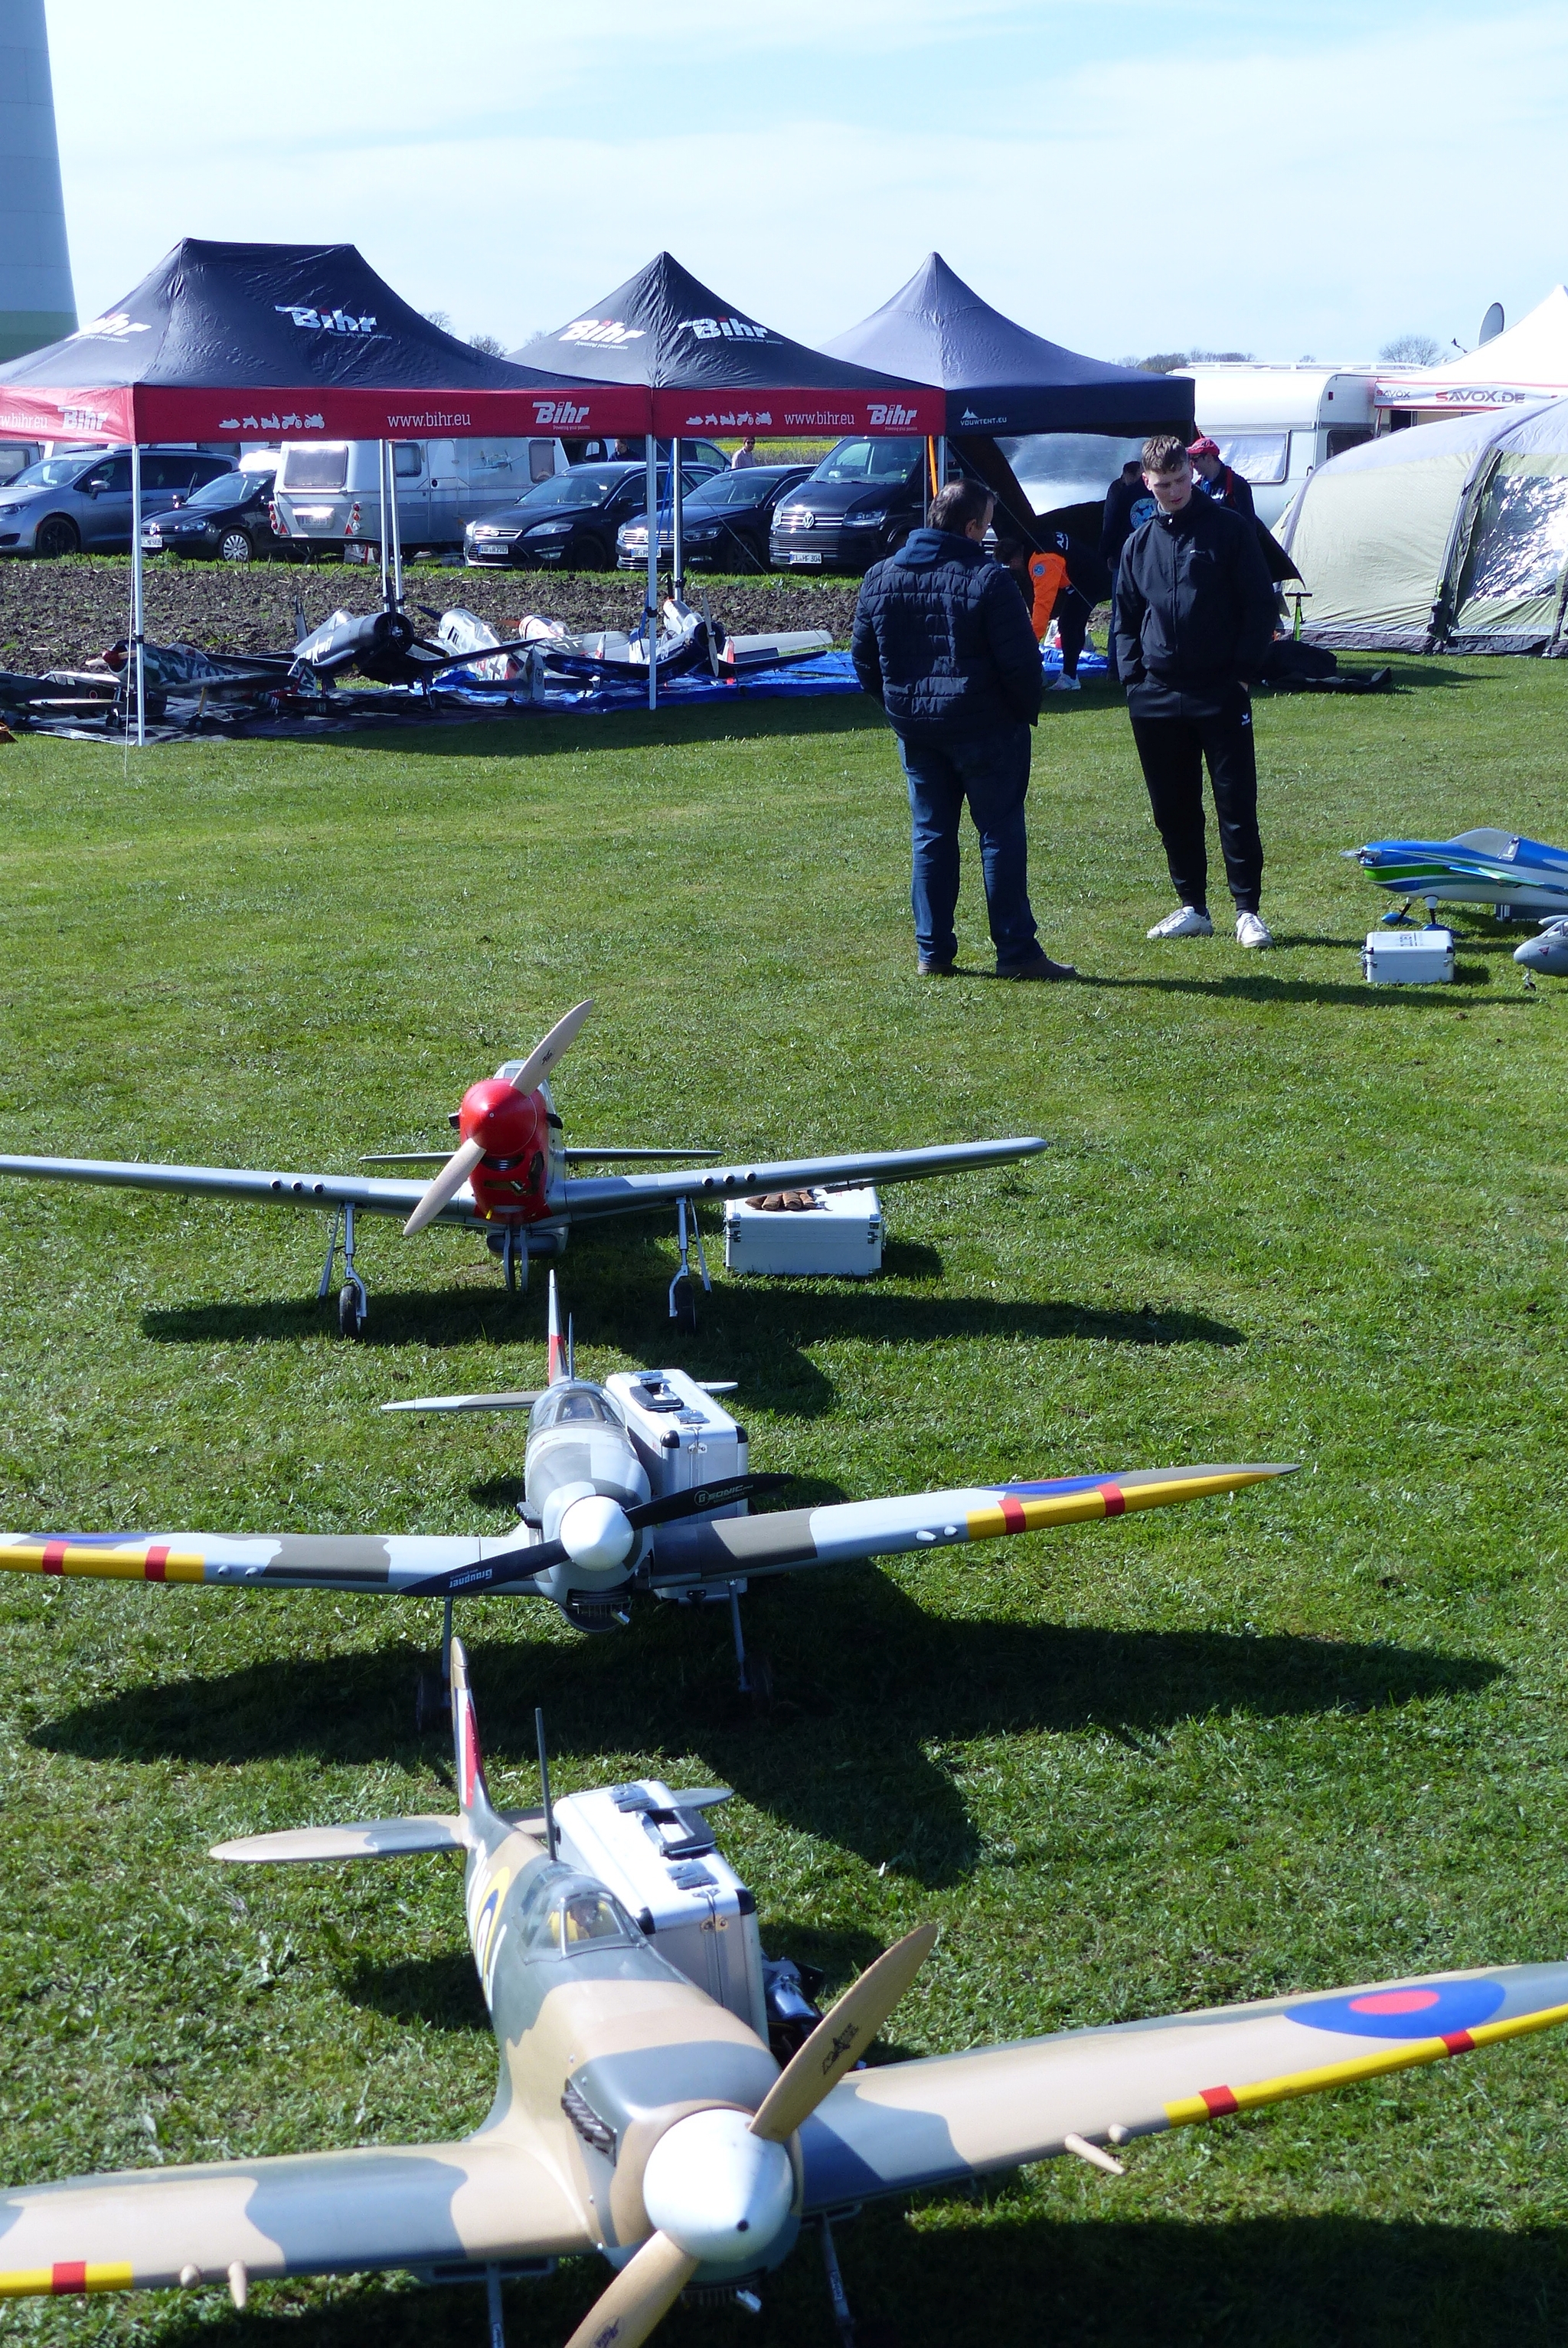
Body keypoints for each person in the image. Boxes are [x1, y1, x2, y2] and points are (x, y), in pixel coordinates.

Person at [852, 477, 1075, 980]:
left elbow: (863, 659)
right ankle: (1016, 951)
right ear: (972, 527)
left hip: (919, 730)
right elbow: (1021, 663)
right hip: (985, 728)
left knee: (931, 834)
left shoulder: (881, 576)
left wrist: (898, 706)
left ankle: (932, 951)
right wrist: (1022, 710)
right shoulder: (989, 579)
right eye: (988, 527)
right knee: (999, 834)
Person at [1112, 432, 1276, 949]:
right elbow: (1124, 618)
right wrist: (1133, 680)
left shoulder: (1229, 529)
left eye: (1181, 479)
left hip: (1220, 689)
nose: (1175, 490)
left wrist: (1242, 674)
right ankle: (1192, 906)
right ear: (1147, 482)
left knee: (1236, 804)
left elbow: (1259, 605)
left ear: (1192, 472)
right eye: (1164, 484)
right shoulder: (1138, 543)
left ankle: (1247, 911)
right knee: (1173, 809)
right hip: (1155, 695)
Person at [1189, 434, 1256, 520]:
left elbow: (1249, 523)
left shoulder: (1237, 484)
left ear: (1209, 457)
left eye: (1195, 459)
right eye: (1191, 461)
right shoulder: (1199, 486)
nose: (1193, 465)